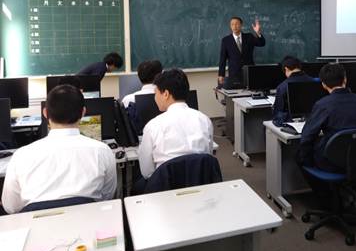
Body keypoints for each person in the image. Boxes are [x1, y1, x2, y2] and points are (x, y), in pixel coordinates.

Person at [1, 85, 116, 213]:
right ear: (83, 112)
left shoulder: (21, 156)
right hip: (89, 222)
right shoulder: (103, 151)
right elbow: (107, 196)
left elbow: (11, 207)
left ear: (45, 113)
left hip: (36, 224)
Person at [138, 68, 214, 179]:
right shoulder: (204, 120)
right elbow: (208, 157)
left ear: (166, 94)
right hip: (202, 182)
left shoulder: (153, 126)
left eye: (156, 93)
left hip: (165, 186)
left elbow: (147, 172)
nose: (155, 97)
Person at [298, 63, 356, 172]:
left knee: (298, 156)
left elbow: (307, 137)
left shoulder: (322, 105)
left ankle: (316, 183)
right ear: (345, 79)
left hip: (330, 163)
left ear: (323, 84)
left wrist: (307, 162)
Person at [272, 56, 313, 126]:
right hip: (313, 121)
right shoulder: (314, 81)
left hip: (290, 123)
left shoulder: (282, 87)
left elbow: (278, 115)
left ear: (286, 69)